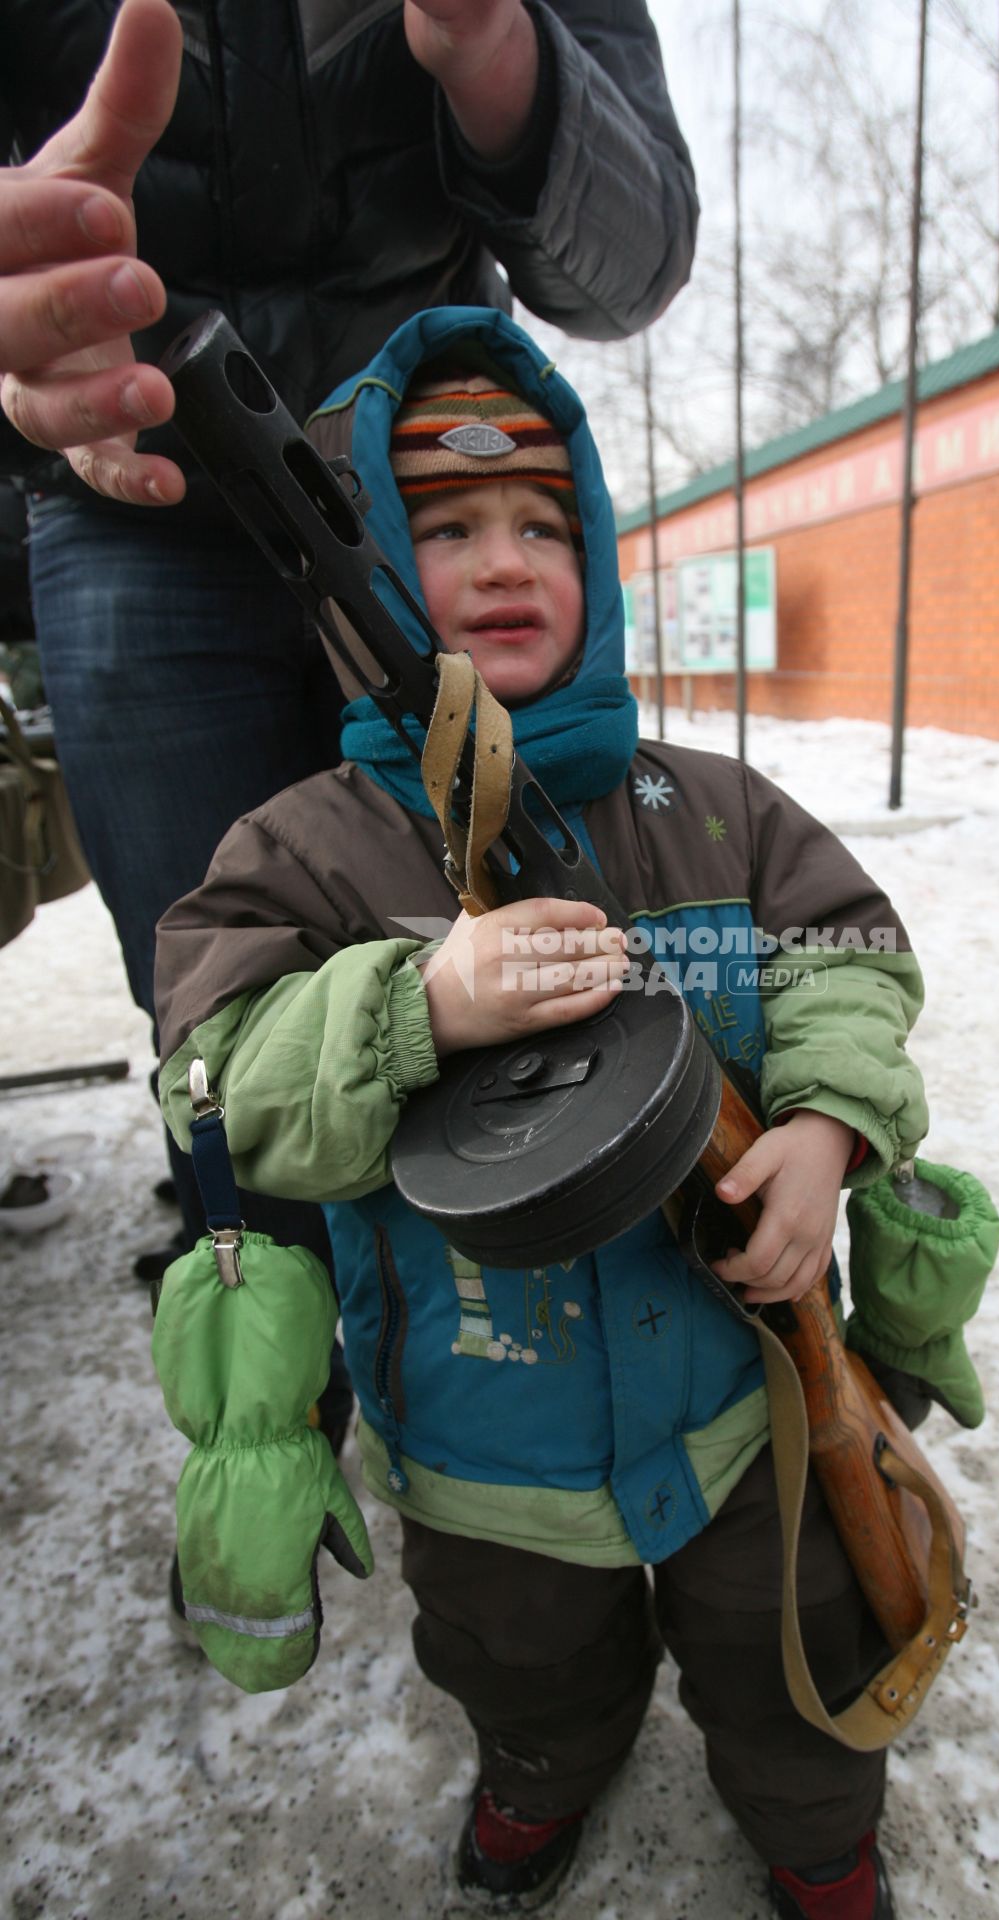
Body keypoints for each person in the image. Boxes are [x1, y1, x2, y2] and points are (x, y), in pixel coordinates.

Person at [153, 303, 934, 1919]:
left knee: (795, 1648)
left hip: (750, 1407)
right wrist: (414, 1003)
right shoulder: (305, 852)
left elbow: (852, 956)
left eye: (541, 525)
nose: (503, 563)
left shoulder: (708, 805)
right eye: (444, 530)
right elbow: (220, 1079)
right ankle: (538, 1783)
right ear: (366, 562)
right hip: (477, 1436)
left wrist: (827, 1130)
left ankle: (813, 1828)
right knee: (522, 1666)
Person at [0, 0, 698, 1270]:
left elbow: (636, 260)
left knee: (492, 933)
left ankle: (464, 1362)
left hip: (413, 511)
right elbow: (216, 1026)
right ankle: (269, 1356)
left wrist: (498, 54)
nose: (530, 565)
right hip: (125, 501)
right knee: (211, 1000)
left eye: (550, 534)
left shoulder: (696, 803)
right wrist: (26, 288)